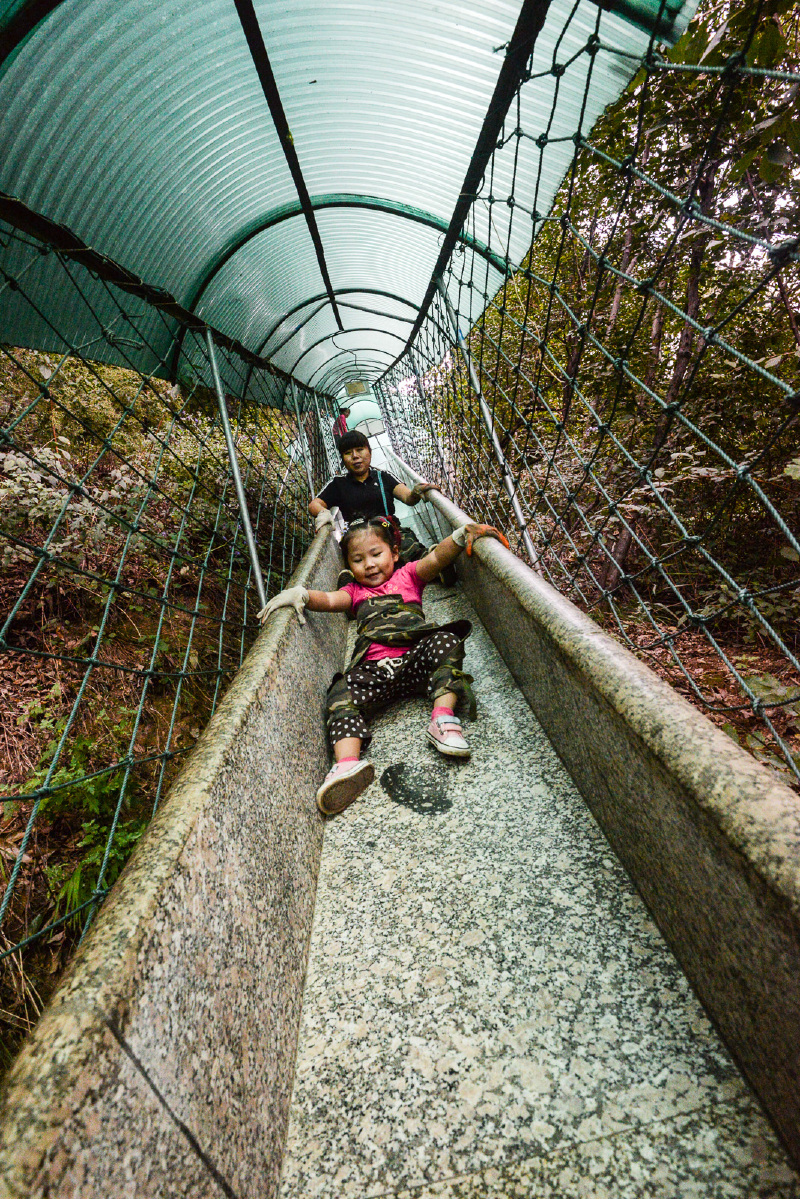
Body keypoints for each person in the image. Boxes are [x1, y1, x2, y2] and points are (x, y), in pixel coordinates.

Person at [258, 514, 509, 816]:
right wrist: (301, 594)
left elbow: (436, 559)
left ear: (394, 553)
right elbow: (328, 600)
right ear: (349, 566)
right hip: (375, 670)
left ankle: (442, 718)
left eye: (376, 554)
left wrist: (459, 536)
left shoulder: (409, 576)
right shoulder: (353, 593)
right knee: (341, 691)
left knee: (447, 641)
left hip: (416, 658)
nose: (369, 565)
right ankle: (347, 765)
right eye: (358, 560)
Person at [309, 430, 434, 567]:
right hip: (359, 536)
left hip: (387, 529)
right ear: (343, 459)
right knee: (357, 557)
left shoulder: (383, 476)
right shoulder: (338, 483)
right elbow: (314, 504)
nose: (355, 456)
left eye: (360, 450)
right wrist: (323, 512)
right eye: (348, 453)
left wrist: (415, 492)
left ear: (370, 451)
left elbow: (407, 497)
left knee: (409, 548)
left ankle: (430, 562)